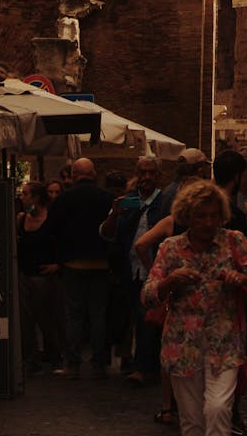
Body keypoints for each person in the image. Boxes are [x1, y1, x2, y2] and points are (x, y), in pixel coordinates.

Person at [142, 179, 247, 436]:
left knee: (218, 410)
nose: (208, 223)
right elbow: (148, 295)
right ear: (187, 216)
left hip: (225, 343)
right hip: (182, 345)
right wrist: (169, 282)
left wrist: (242, 281)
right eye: (200, 216)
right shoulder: (171, 248)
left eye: (214, 216)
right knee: (192, 422)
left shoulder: (234, 242)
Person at [99, 154, 166, 386]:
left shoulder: (165, 202)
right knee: (135, 318)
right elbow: (106, 233)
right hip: (130, 270)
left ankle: (144, 366)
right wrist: (115, 213)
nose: (146, 177)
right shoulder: (128, 200)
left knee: (145, 316)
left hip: (154, 269)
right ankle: (141, 363)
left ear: (158, 176)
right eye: (142, 173)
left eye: (151, 173)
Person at [46, 156, 112, 379]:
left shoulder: (64, 199)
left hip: (73, 263)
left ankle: (72, 363)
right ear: (93, 174)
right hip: (101, 263)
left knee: (74, 316)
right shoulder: (106, 198)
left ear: (73, 176)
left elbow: (51, 228)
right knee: (98, 315)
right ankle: (99, 363)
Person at [16, 180, 63, 374]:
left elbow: (63, 242)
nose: (22, 197)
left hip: (45, 278)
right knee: (26, 320)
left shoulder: (51, 219)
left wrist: (57, 265)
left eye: (26, 194)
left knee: (47, 318)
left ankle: (55, 357)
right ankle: (31, 358)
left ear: (36, 197)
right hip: (24, 275)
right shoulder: (21, 219)